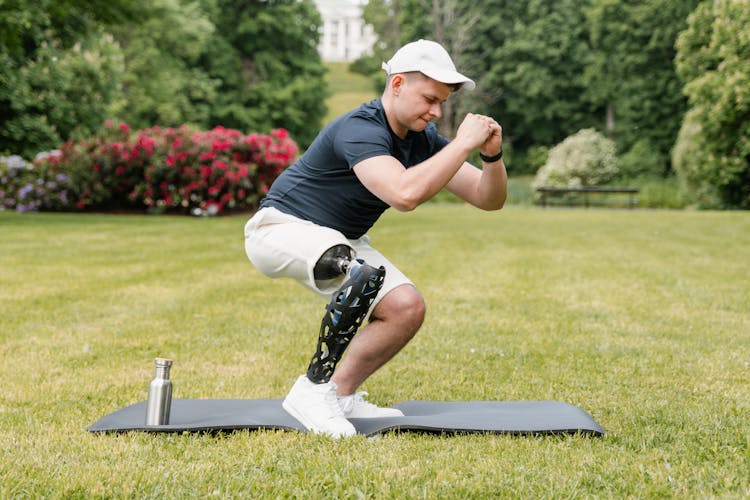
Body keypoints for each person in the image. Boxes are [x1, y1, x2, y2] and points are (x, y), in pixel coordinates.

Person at [244, 39, 507, 438]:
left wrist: (491, 156)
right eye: (429, 99)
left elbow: (488, 200)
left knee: (406, 307)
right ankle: (311, 390)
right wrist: (463, 143)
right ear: (397, 84)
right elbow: (403, 194)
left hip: (341, 240)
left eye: (442, 103)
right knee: (359, 272)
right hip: (280, 230)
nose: (436, 111)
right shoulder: (360, 128)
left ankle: (340, 393)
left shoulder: (421, 140)